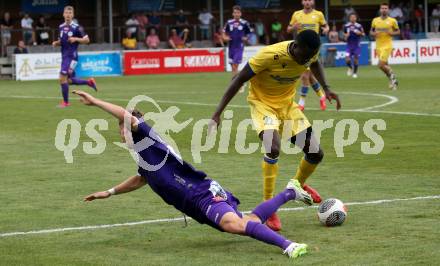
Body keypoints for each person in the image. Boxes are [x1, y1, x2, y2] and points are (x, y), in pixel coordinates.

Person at [73, 89, 312, 260]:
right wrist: (110, 192)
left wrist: (95, 102)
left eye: (124, 127)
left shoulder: (146, 136)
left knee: (235, 224)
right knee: (248, 222)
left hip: (199, 193)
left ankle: (290, 247)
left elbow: (127, 117)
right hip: (194, 200)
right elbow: (142, 178)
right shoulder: (141, 154)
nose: (122, 131)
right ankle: (291, 191)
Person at [209, 30, 341, 232]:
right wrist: (217, 113)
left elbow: (314, 63)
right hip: (263, 105)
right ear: (296, 46)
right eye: (304, 55)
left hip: (287, 106)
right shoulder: (269, 55)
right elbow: (239, 79)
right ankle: (269, 207)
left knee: (315, 152)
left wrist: (327, 87)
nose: (306, 60)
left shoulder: (309, 53)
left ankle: (297, 185)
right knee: (273, 147)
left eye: (310, 56)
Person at [287, 0, 329, 112]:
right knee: (310, 77)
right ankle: (321, 96)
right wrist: (293, 27)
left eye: (309, 0)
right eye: (305, 0)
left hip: (313, 49)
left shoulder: (318, 14)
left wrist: (326, 29)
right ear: (302, 2)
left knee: (305, 76)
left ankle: (301, 102)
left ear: (313, 2)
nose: (307, 2)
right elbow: (288, 29)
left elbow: (326, 26)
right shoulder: (296, 14)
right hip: (300, 49)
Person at [52, 6, 97, 108]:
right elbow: (63, 41)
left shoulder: (77, 27)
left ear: (72, 15)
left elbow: (87, 40)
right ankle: (89, 82)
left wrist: (76, 39)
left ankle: (66, 102)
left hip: (71, 57)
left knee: (62, 78)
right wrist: (56, 43)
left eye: (70, 13)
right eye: (66, 13)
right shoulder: (61, 27)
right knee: (68, 80)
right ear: (63, 14)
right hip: (64, 57)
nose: (68, 15)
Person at [370, 3, 400, 90]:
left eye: (385, 8)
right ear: (380, 10)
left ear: (388, 10)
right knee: (385, 65)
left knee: (380, 65)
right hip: (378, 46)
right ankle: (392, 81)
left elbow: (398, 32)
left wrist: (392, 33)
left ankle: (392, 75)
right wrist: (374, 34)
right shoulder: (375, 20)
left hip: (387, 45)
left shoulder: (392, 21)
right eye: (382, 8)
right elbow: (370, 32)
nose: (384, 10)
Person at [223, 5, 250, 84]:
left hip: (239, 47)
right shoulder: (229, 22)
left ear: (240, 14)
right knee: (233, 67)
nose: (236, 14)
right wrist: (225, 37)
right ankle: (238, 82)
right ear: (232, 14)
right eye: (235, 12)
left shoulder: (244, 23)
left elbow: (249, 33)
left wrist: (246, 38)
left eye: (238, 12)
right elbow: (224, 32)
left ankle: (234, 83)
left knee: (235, 65)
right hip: (231, 47)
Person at [344, 13, 364, 78]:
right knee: (347, 59)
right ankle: (350, 67)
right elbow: (345, 36)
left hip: (356, 45)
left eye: (354, 17)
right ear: (349, 18)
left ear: (356, 18)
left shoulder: (359, 26)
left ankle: (355, 73)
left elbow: (363, 34)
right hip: (349, 45)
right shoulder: (346, 26)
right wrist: (346, 36)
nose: (353, 18)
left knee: (356, 59)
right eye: (351, 17)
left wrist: (359, 33)